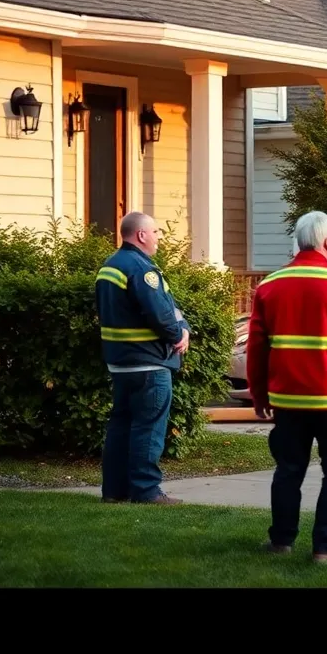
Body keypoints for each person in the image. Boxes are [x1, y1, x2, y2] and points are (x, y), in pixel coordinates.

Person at [247, 210, 327, 563]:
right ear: (326, 242)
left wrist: (260, 394)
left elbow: (256, 348)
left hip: (287, 399)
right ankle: (326, 548)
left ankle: (280, 542)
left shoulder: (270, 286)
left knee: (288, 469)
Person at [95, 211, 191, 505]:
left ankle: (114, 491)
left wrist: (180, 325)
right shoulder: (142, 269)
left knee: (121, 426)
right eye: (156, 232)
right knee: (148, 428)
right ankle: (147, 491)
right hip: (149, 362)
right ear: (141, 235)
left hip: (120, 362)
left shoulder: (110, 267)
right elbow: (161, 312)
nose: (159, 238)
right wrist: (179, 334)